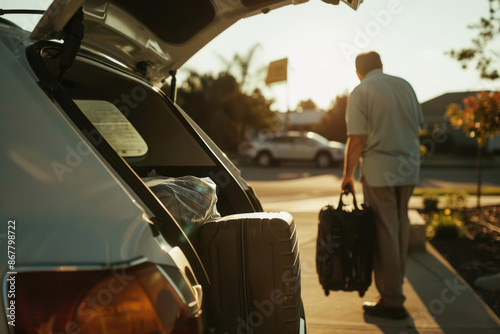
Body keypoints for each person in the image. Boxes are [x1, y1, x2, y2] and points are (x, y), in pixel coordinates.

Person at [341, 51, 423, 319]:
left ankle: (391, 300)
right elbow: (416, 127)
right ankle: (394, 289)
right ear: (382, 66)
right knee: (399, 226)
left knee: (386, 231)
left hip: (380, 171)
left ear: (358, 72)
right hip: (408, 169)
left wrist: (347, 176)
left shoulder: (361, 90)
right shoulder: (406, 86)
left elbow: (357, 139)